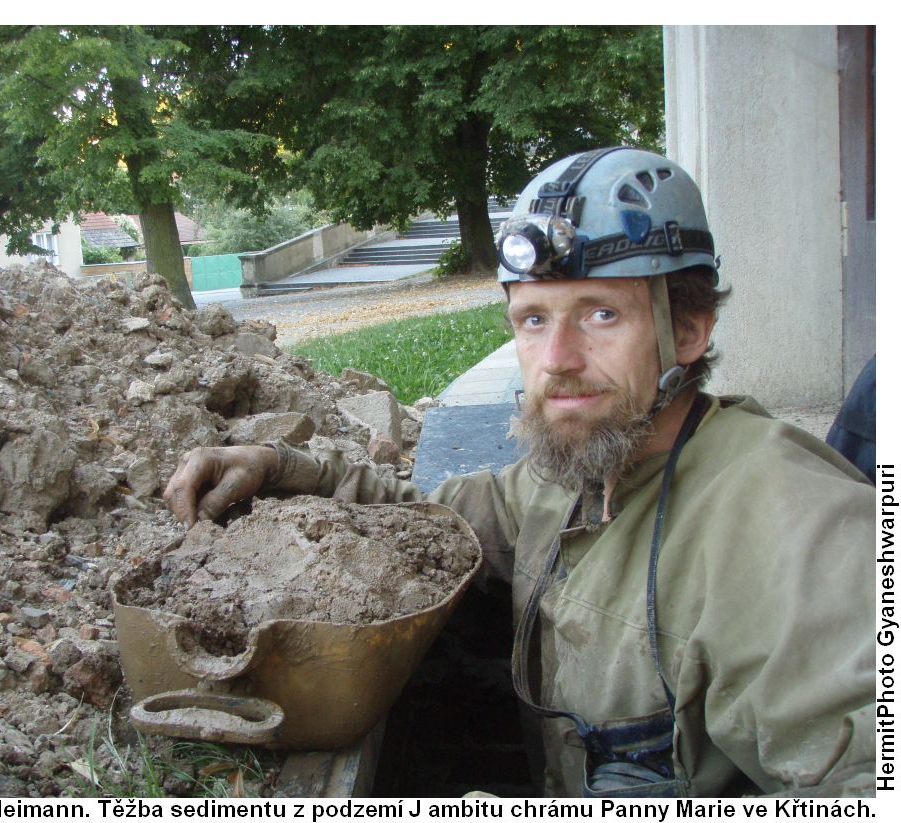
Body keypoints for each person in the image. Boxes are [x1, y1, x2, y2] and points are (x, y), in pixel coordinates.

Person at [163, 147, 875, 797]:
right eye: (533, 319)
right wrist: (281, 466)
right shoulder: (576, 475)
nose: (557, 359)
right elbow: (430, 520)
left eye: (599, 313)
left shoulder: (797, 532)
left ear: (688, 328)